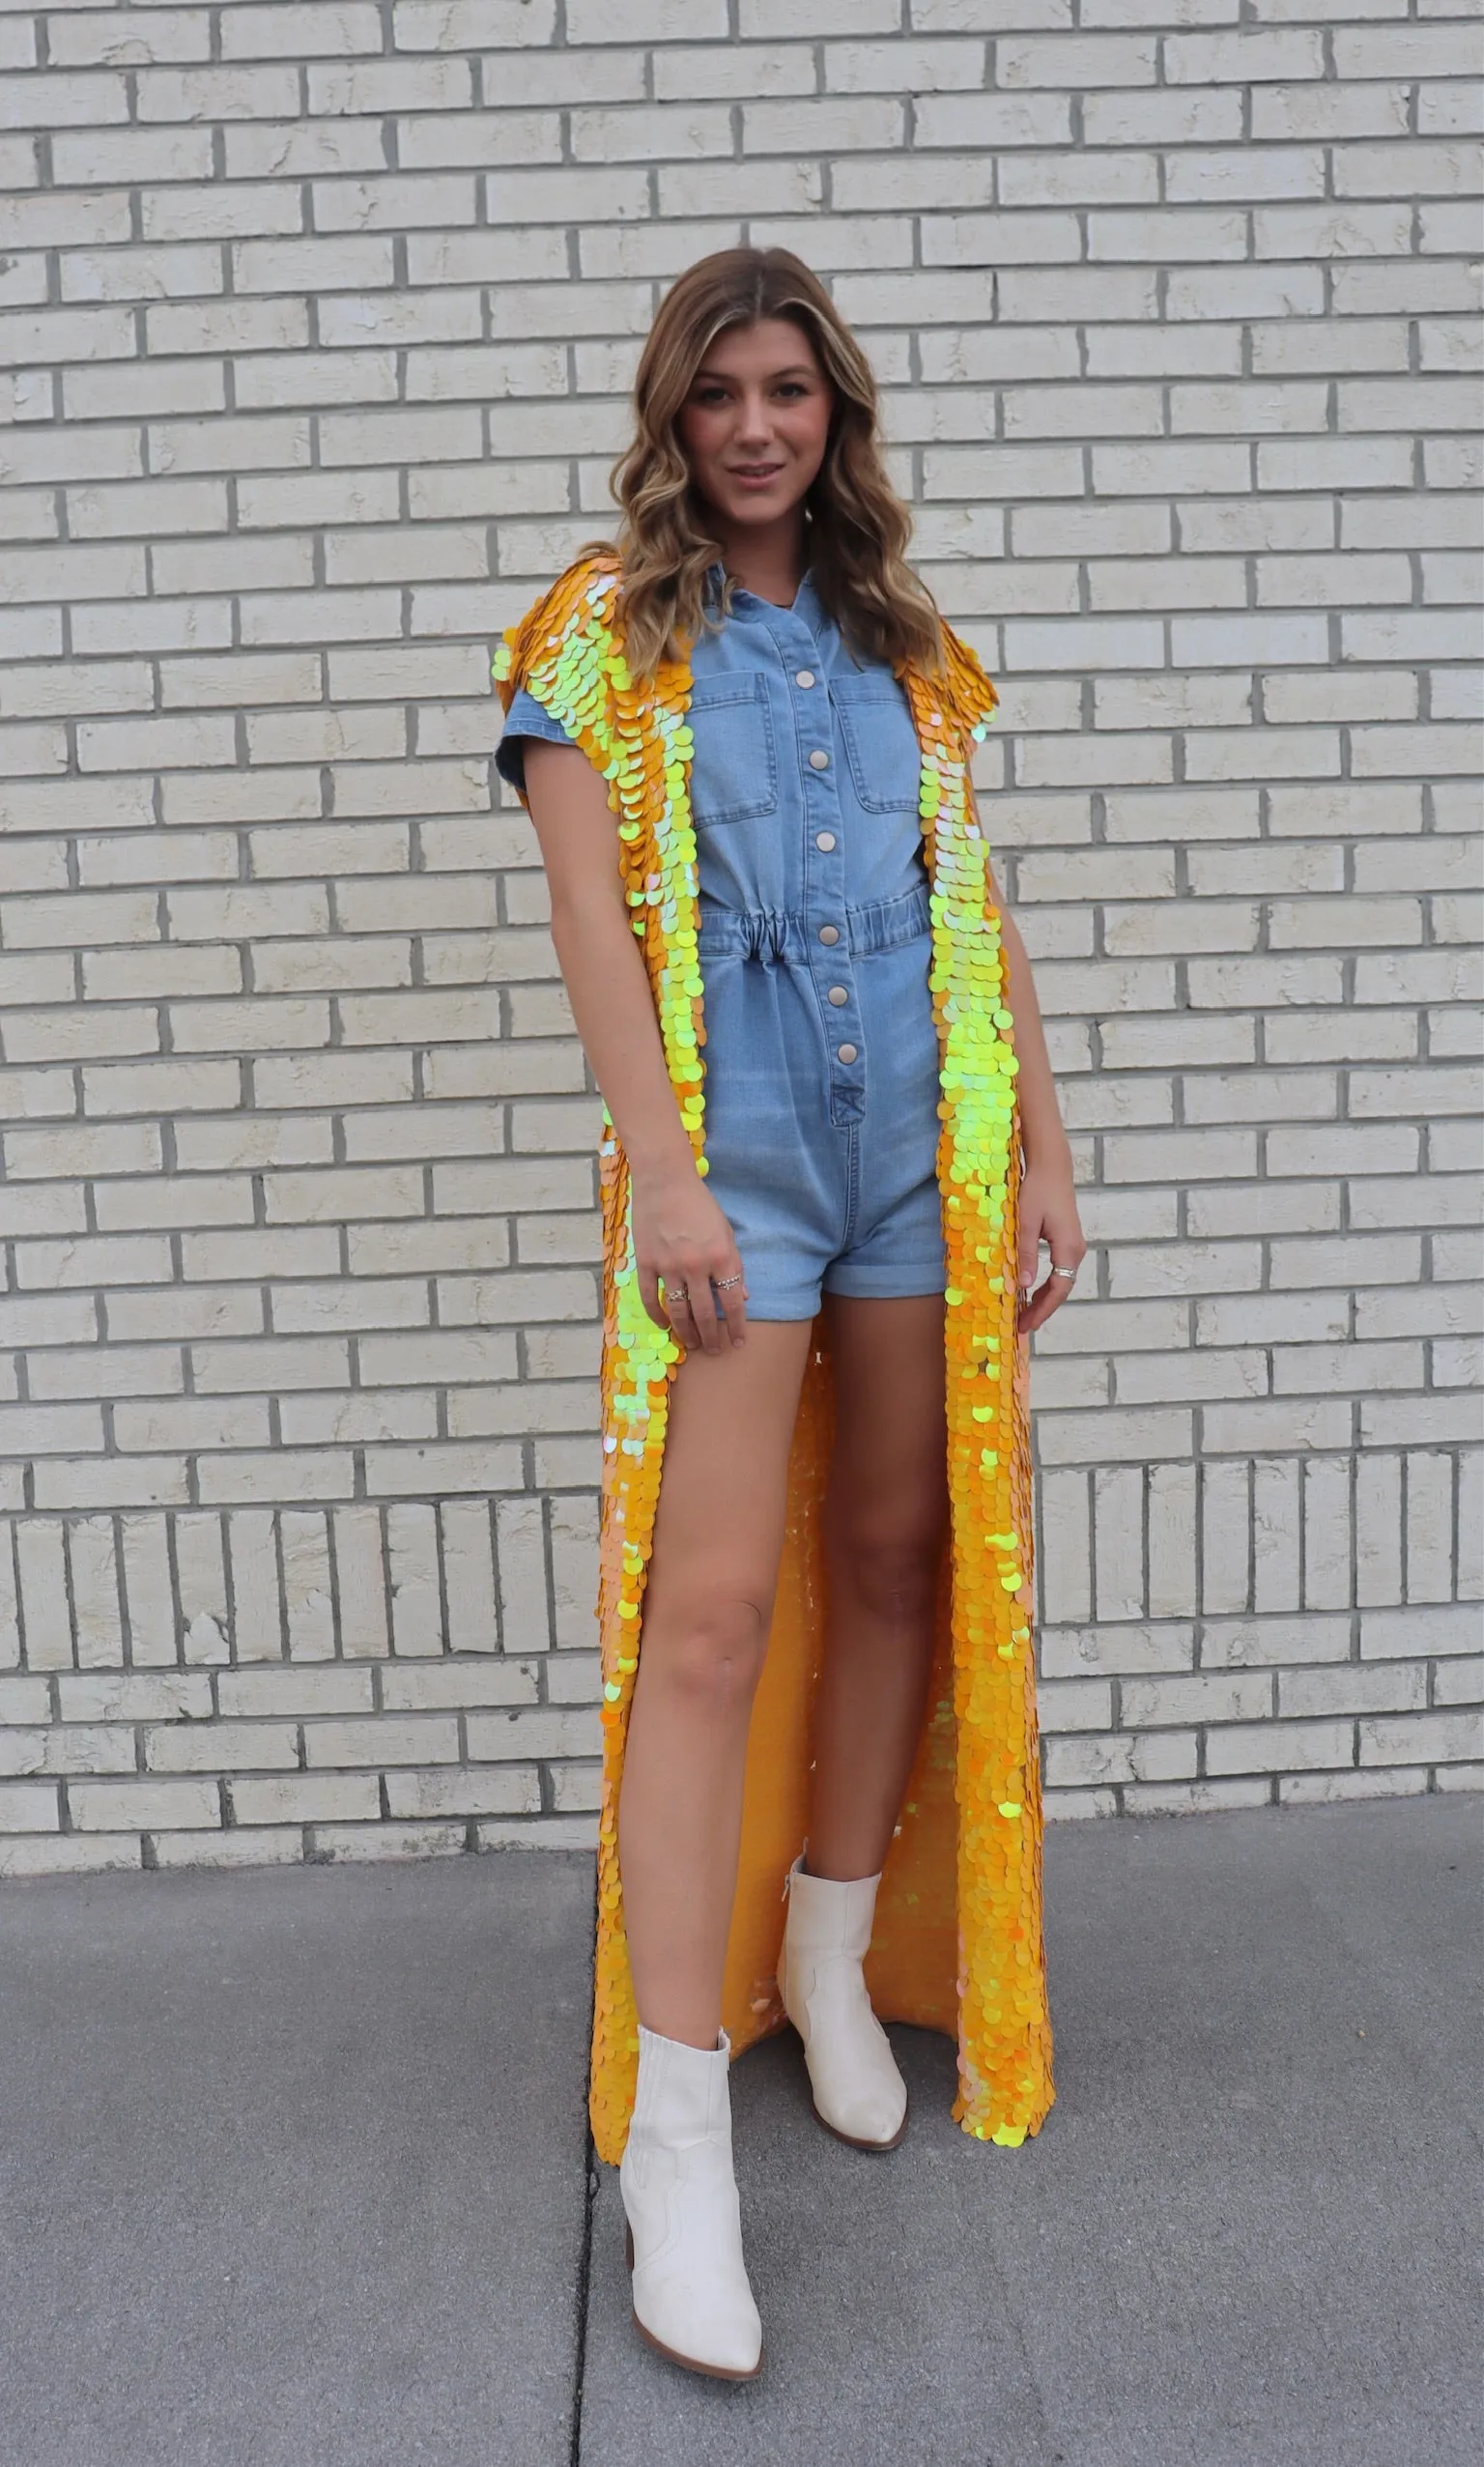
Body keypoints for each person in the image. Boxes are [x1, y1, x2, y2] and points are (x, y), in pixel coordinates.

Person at [493, 247, 1084, 2384]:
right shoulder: (600, 635)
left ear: (839, 417)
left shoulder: (897, 641)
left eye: (794, 393)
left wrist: (1047, 1134)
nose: (758, 427)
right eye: (721, 392)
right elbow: (585, 906)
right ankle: (675, 2137)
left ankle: (832, 1952)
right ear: (672, 414)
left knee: (902, 1547)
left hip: (925, 1138)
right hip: (734, 1160)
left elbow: (972, 885)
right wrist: (662, 1169)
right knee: (715, 1609)